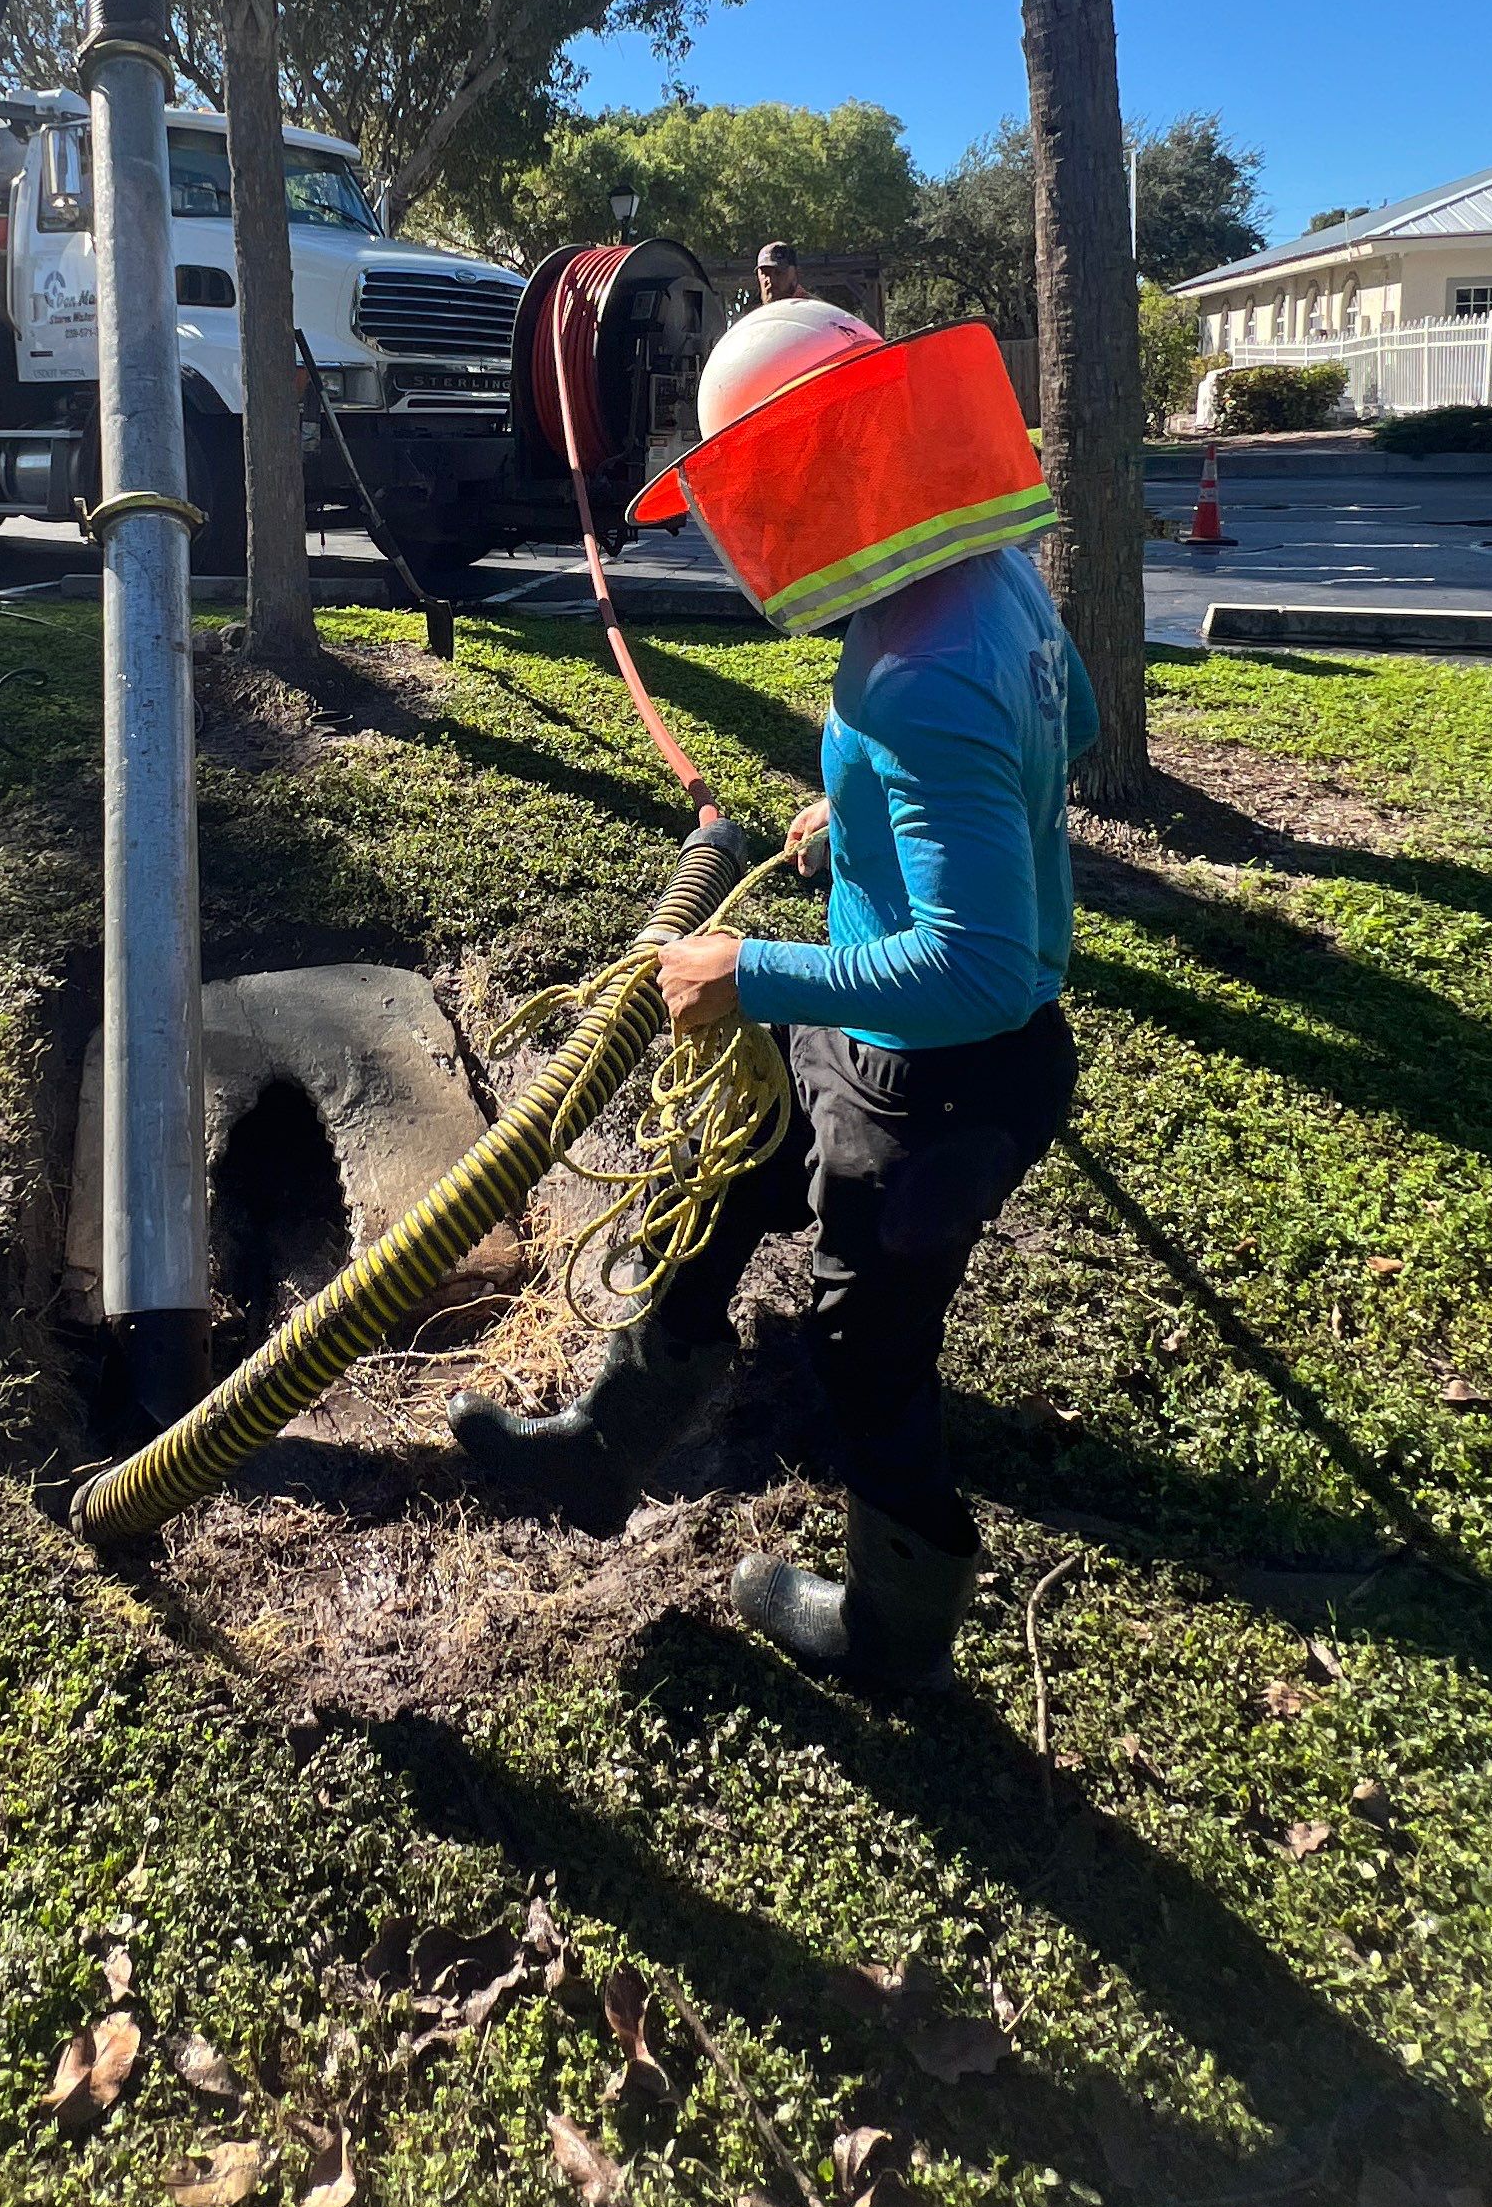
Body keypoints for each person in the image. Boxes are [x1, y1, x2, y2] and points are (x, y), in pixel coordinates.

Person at [449, 301, 1095, 1694]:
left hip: (939, 1086)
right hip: (891, 1044)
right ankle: (603, 1450)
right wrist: (859, 817)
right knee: (726, 1169)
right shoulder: (995, 574)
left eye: (760, 486)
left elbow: (976, 968)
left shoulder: (917, 678)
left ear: (827, 466)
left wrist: (747, 968)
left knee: (866, 1350)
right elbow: (1069, 729)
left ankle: (894, 1633)